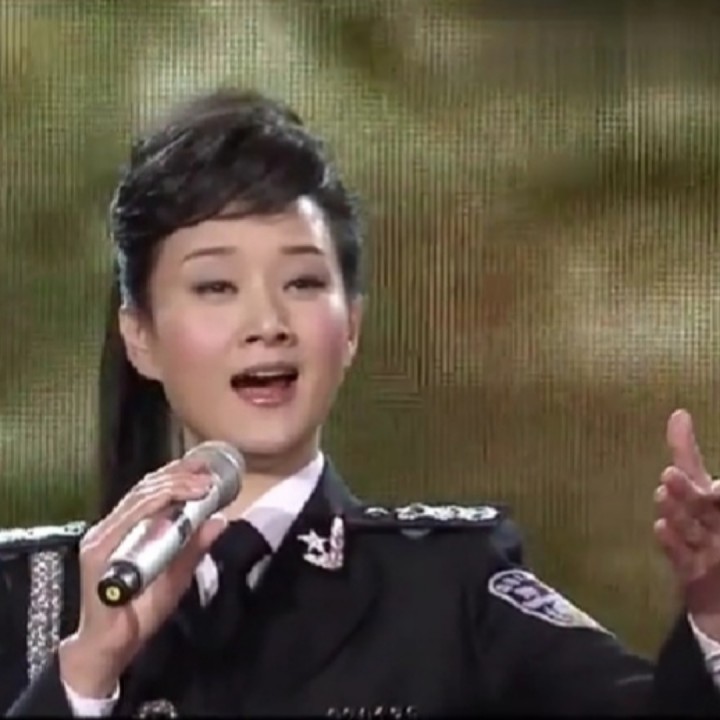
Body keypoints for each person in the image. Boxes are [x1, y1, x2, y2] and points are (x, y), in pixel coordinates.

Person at [2, 88, 720, 718]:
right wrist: (86, 676)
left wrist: (713, 614)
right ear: (140, 335)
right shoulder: (31, 599)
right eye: (216, 286)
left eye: (303, 283)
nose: (268, 323)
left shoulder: (449, 588)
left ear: (352, 327)